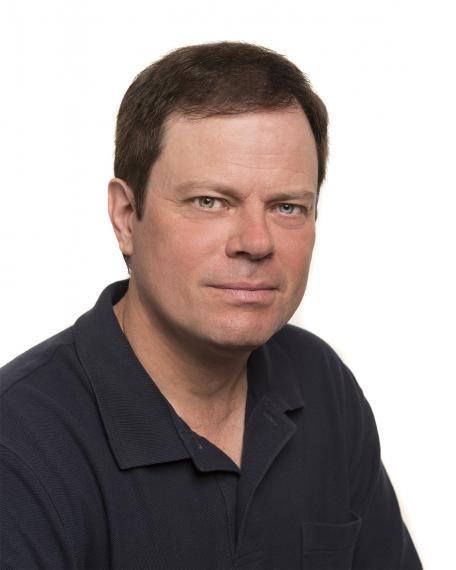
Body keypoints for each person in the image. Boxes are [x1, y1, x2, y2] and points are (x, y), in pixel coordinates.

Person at [0, 42, 421, 569]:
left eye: (287, 206)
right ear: (126, 216)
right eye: (210, 202)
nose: (255, 242)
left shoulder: (321, 385)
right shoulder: (19, 443)